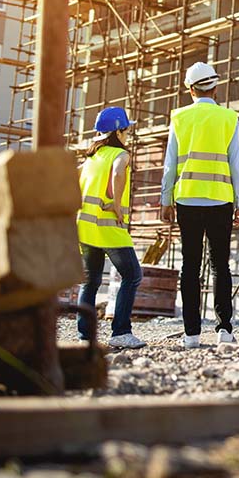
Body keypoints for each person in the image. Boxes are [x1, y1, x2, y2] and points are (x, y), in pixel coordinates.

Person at [161, 61, 239, 349]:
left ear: (190, 89)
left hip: (186, 199)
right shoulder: (228, 118)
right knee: (220, 265)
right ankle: (224, 329)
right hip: (221, 199)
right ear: (216, 86)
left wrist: (165, 199)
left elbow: (170, 163)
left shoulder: (180, 118)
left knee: (190, 266)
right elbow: (236, 163)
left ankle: (191, 334)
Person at [75, 106, 145, 349]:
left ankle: (84, 337)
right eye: (126, 129)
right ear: (119, 130)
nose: (128, 134)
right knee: (133, 275)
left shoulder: (91, 157)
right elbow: (117, 174)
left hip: (85, 228)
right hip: (108, 228)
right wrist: (116, 205)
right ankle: (121, 332)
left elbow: (73, 179)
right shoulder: (120, 155)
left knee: (90, 281)